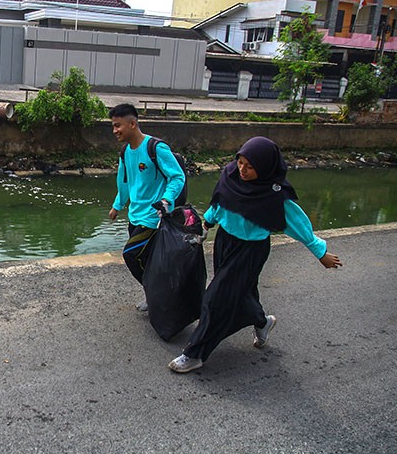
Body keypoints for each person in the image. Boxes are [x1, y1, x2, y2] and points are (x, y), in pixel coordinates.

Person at [169, 136, 343, 373]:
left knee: (216, 298)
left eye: (250, 167)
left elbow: (297, 223)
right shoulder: (230, 176)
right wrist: (208, 220)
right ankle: (263, 322)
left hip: (250, 251)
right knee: (240, 293)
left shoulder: (273, 195)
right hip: (225, 243)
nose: (243, 170)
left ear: (265, 167)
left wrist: (319, 251)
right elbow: (220, 200)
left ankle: (194, 354)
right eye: (240, 162)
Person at [108, 103, 186, 310]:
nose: (115, 131)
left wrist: (166, 199)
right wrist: (117, 206)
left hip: (154, 217)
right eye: (113, 126)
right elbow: (124, 183)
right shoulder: (125, 151)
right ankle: (155, 296)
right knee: (148, 259)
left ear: (132, 124)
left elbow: (177, 177)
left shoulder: (156, 148)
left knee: (131, 254)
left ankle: (157, 293)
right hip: (135, 215)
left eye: (118, 126)